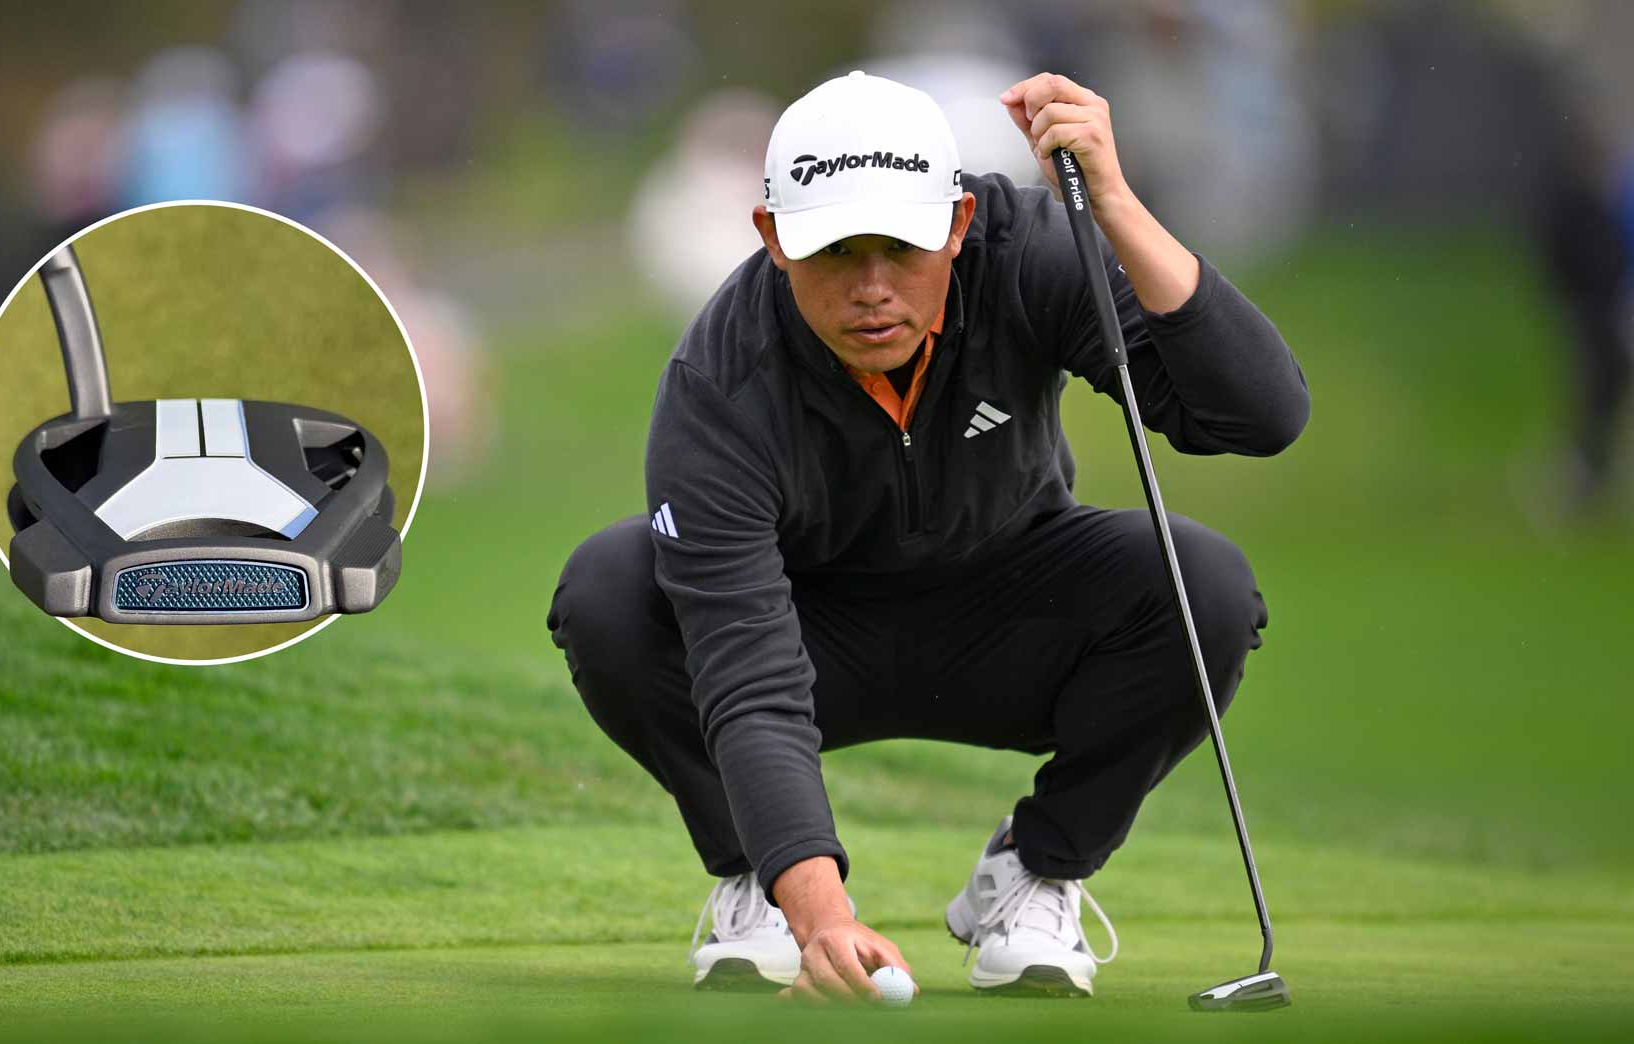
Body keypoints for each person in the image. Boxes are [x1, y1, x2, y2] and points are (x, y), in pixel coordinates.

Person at [547, 70, 1309, 1002]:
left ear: (954, 225)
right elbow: (746, 669)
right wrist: (822, 915)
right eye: (835, 251)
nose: (873, 290)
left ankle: (1035, 872)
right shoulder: (719, 381)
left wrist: (1110, 201)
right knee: (611, 591)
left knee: (1206, 585)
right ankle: (763, 882)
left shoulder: (1030, 254)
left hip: (1017, 613)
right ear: (774, 239)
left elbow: (1259, 415)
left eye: (901, 248)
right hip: (807, 631)